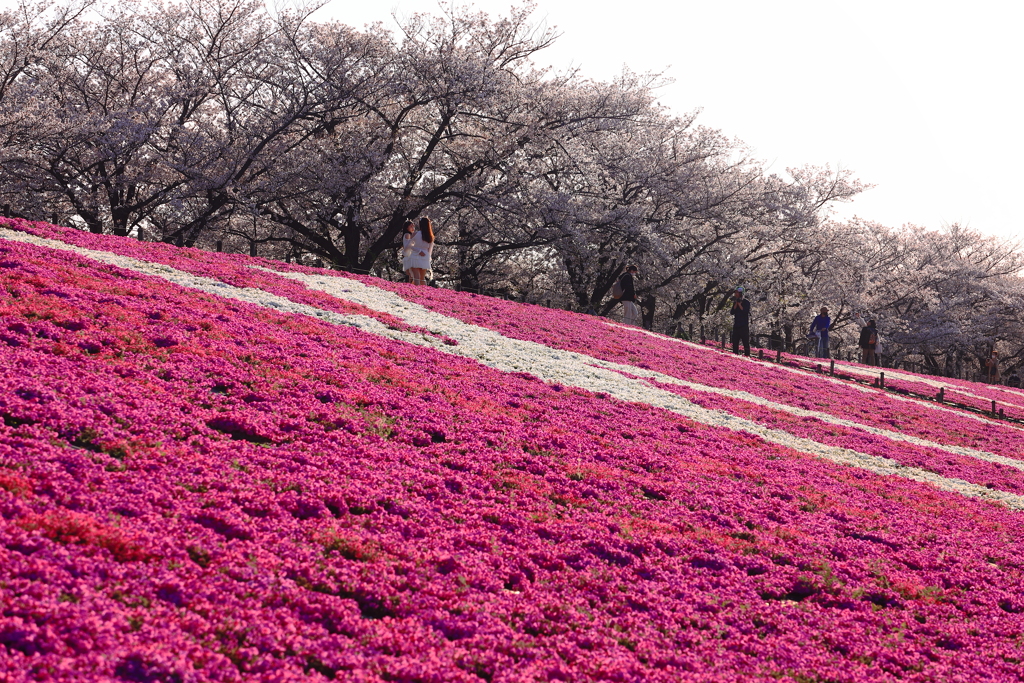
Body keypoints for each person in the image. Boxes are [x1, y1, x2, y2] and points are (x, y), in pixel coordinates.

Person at [403, 216, 434, 286]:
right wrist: (428, 258)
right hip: (425, 257)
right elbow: (430, 250)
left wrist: (418, 251)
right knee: (422, 279)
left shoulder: (415, 234)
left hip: (415, 256)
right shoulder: (430, 236)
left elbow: (409, 246)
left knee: (416, 278)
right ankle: (425, 293)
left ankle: (417, 293)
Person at [730, 286, 751, 356]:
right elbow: (732, 312)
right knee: (735, 341)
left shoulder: (746, 302)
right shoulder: (735, 302)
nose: (735, 294)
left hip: (744, 325)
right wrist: (736, 304)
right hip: (736, 325)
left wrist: (740, 304)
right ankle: (735, 354)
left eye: (737, 293)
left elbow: (745, 311)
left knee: (745, 342)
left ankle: (747, 355)